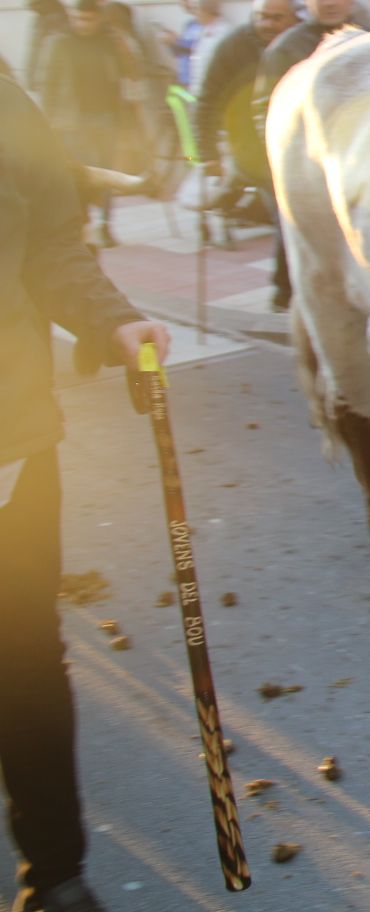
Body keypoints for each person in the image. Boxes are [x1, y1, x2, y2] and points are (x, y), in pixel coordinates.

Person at [2, 72, 173, 912]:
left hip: (8, 446)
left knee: (24, 664)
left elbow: (50, 243)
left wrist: (112, 320)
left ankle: (56, 878)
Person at [258, 0, 360, 309]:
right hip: (303, 161)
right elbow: (265, 109)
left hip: (354, 159)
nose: (329, 2)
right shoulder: (286, 48)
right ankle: (286, 292)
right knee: (297, 231)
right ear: (307, 0)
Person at [192, 0, 300, 213]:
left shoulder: (305, 41)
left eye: (277, 18)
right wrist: (207, 154)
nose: (268, 24)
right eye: (262, 17)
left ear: (292, 17)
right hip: (250, 144)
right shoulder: (232, 46)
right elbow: (207, 100)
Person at [41, 0, 137, 248]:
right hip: (71, 122)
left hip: (106, 118)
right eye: (77, 18)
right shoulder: (58, 42)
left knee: (105, 174)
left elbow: (130, 73)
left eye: (88, 19)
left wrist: (123, 46)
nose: (82, 24)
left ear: (98, 18)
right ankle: (82, 225)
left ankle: (104, 225)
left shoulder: (109, 41)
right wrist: (48, 121)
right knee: (78, 175)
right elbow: (46, 83)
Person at [21, 0, 70, 102]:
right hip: (43, 75)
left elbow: (53, 50)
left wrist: (36, 76)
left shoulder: (53, 15)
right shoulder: (42, 14)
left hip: (49, 76)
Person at [153, 0, 205, 84]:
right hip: (185, 78)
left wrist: (177, 40)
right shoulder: (189, 24)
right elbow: (179, 53)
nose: (183, 4)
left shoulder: (207, 24)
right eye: (181, 0)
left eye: (185, 0)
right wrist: (170, 43)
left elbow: (201, 49)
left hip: (200, 79)